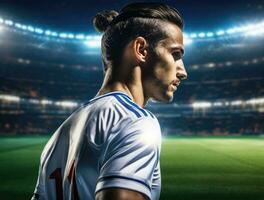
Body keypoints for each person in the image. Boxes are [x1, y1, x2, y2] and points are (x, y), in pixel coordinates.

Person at [31, 2, 187, 200]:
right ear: (141, 49)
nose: (183, 72)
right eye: (175, 54)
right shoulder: (135, 122)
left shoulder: (60, 134)